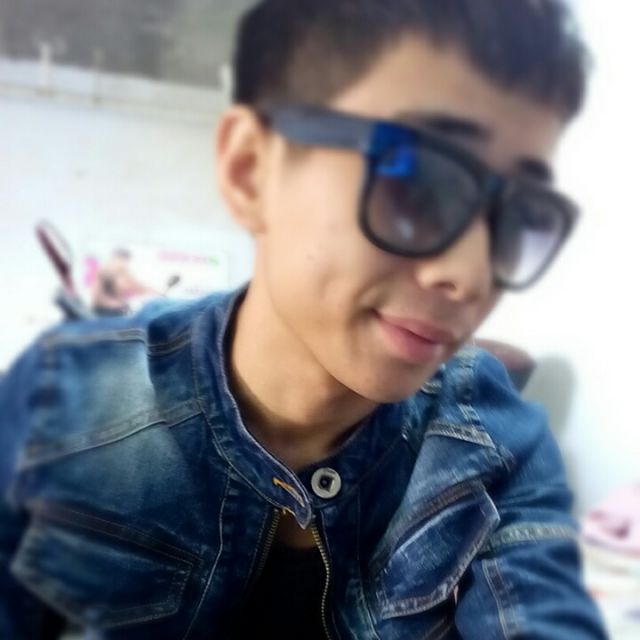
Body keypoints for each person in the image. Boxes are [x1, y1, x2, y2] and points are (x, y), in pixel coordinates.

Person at [0, 0, 609, 638]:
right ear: (251, 171)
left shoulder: (495, 439)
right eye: (417, 183)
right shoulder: (63, 400)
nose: (473, 275)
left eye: (520, 217)